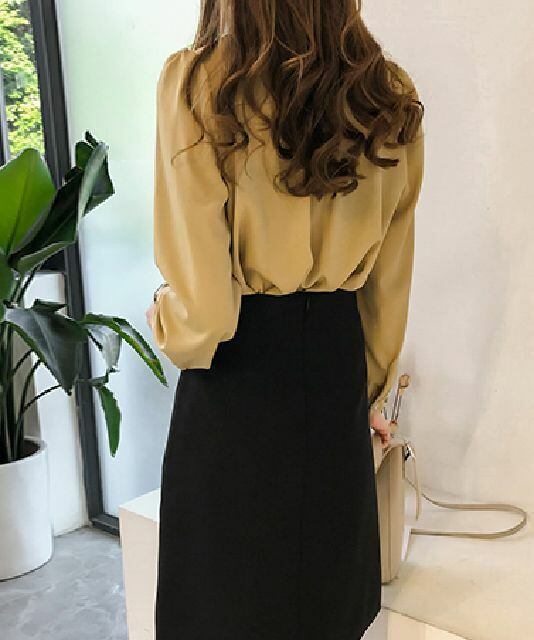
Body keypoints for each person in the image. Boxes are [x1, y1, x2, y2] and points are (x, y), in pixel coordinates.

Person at [145, 2, 425, 638]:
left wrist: (166, 317)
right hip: (334, 375)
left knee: (222, 609)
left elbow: (206, 313)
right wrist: (367, 392)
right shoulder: (387, 95)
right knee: (324, 608)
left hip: (236, 383)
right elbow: (389, 284)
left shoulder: (201, 86)